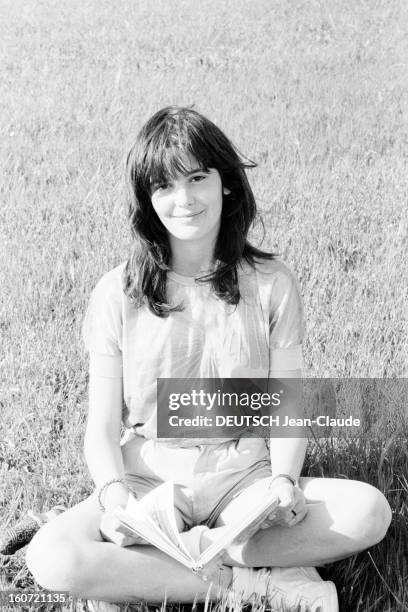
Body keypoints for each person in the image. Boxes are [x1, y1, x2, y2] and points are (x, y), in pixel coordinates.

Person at [26, 106, 392, 611]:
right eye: (164, 186)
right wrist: (113, 498)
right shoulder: (117, 292)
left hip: (243, 479)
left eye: (198, 177)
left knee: (369, 511)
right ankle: (249, 585)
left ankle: (166, 568)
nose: (184, 200)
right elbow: (102, 427)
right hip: (147, 479)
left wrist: (284, 482)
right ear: (146, 199)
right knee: (51, 557)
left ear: (225, 183)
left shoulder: (271, 283)